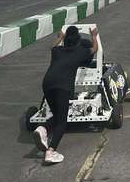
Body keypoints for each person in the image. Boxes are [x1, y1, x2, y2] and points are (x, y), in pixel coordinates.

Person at [33, 25, 98, 164]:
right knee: (62, 121)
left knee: (57, 116)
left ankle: (42, 128)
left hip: (47, 83)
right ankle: (51, 151)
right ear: (78, 40)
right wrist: (94, 35)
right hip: (63, 86)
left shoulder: (58, 51)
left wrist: (59, 37)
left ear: (66, 39)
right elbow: (94, 49)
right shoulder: (80, 51)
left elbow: (52, 47)